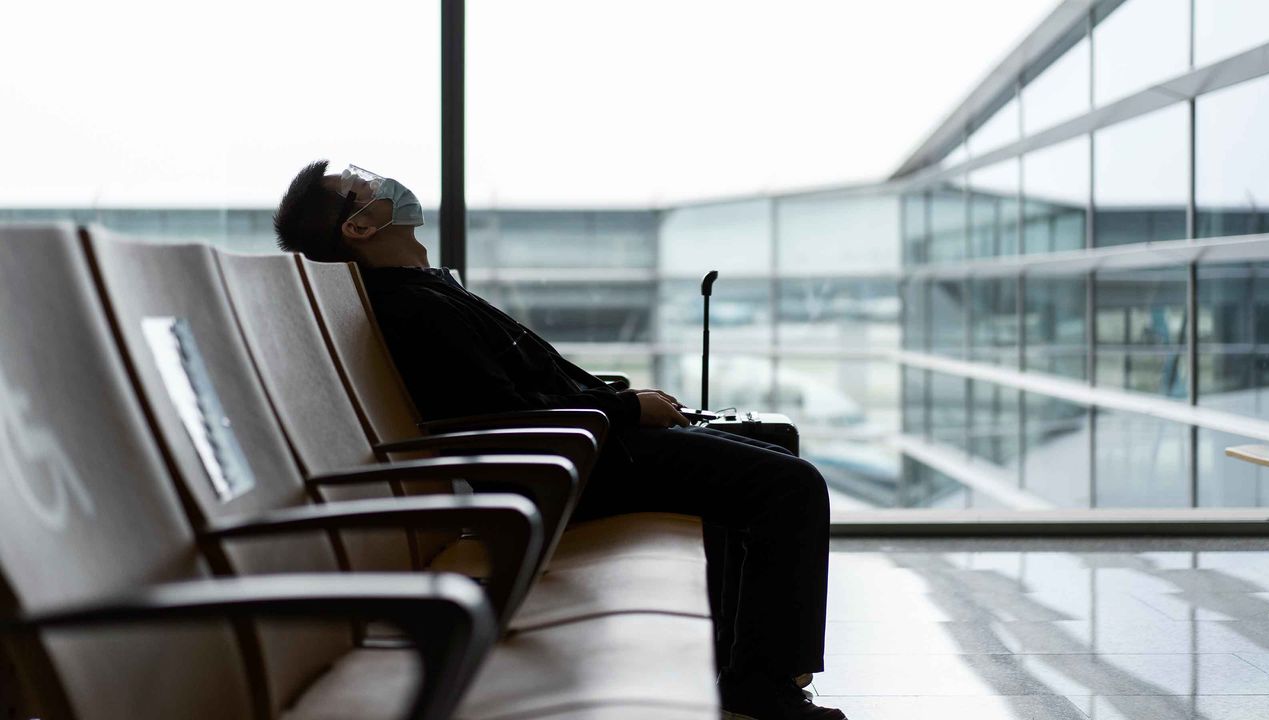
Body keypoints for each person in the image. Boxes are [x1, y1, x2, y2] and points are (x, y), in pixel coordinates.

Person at [274, 160, 846, 720]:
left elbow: (524, 383)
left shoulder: (425, 288)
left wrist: (620, 398)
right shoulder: (412, 305)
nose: (382, 181)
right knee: (789, 485)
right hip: (567, 462)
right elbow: (500, 411)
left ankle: (744, 667)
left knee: (767, 447)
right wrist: (624, 407)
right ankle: (762, 685)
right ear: (359, 226)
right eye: (362, 184)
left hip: (576, 444)